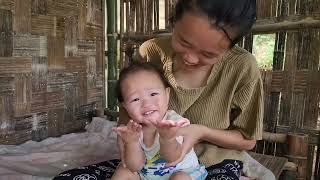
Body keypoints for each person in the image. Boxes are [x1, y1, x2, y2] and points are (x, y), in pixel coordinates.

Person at [53, 0, 275, 179]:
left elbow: (247, 140)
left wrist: (200, 132)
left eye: (208, 54)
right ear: (173, 23)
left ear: (230, 48)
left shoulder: (242, 67)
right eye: (184, 42)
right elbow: (127, 114)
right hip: (149, 163)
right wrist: (129, 144)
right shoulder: (151, 52)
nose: (190, 57)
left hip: (213, 163)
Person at [111, 62, 207, 180]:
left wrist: (168, 139)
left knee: (179, 178)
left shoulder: (174, 123)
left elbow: (172, 158)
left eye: (153, 94)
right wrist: (132, 142)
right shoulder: (132, 130)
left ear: (167, 95)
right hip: (147, 176)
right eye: (135, 99)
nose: (146, 103)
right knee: (123, 171)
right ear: (125, 107)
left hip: (184, 173)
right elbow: (135, 166)